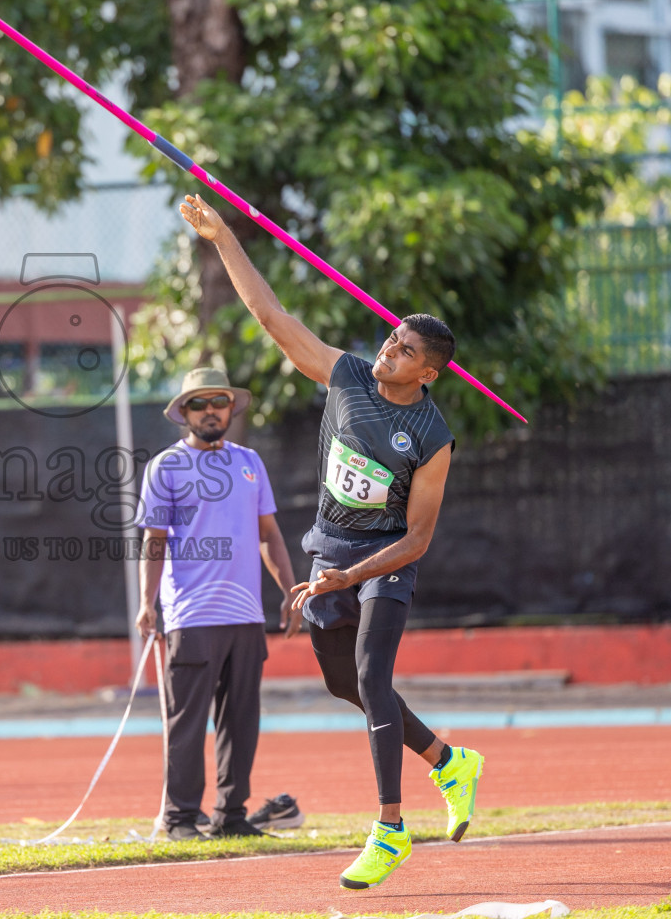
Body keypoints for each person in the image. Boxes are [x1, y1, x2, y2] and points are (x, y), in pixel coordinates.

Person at [179, 193, 484, 890]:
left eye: (405, 351)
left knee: (374, 675)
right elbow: (270, 317)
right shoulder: (346, 377)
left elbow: (418, 538)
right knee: (345, 683)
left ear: (428, 372)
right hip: (331, 553)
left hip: (385, 563)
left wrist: (354, 578)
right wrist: (223, 235)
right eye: (389, 339)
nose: (389, 351)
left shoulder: (433, 438)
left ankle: (389, 828)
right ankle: (449, 761)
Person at [136, 368, 300, 841]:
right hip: (191, 615)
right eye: (199, 403)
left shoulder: (249, 461)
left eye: (219, 402)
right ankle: (180, 818)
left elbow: (268, 533)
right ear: (183, 413)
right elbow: (154, 540)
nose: (211, 411)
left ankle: (231, 815)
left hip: (247, 615)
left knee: (241, 722)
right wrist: (148, 604)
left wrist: (290, 591)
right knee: (186, 724)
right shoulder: (166, 466)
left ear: (231, 408)